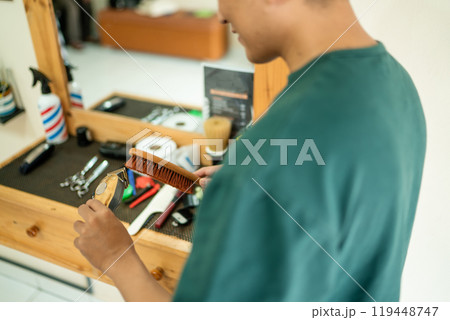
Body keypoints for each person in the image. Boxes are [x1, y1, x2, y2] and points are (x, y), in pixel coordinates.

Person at [74, 0, 426, 301]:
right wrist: (248, 198)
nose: (221, 14)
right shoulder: (396, 84)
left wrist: (118, 258)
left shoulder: (265, 161)